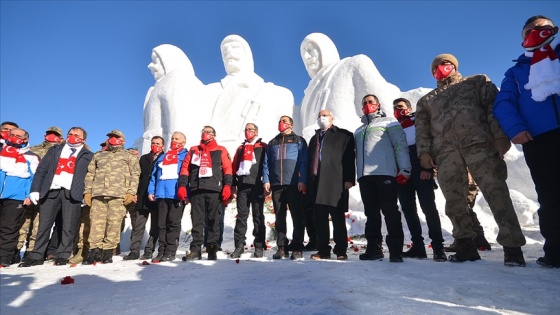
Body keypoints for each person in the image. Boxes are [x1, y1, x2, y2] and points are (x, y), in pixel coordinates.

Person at [415, 53, 527, 266]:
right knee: (455, 201)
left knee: (496, 193)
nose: (441, 67)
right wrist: (425, 153)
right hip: (446, 154)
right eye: (437, 66)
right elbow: (423, 130)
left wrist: (500, 136)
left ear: (455, 66)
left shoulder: (476, 82)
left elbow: (493, 108)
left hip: (480, 146)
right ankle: (466, 245)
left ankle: (512, 248)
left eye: (446, 63)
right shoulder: (427, 101)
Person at [493, 15, 560, 268]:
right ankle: (556, 252)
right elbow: (504, 103)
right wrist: (516, 129)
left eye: (542, 28)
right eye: (530, 30)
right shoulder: (517, 71)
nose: (536, 31)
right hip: (539, 139)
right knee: (551, 197)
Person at [299, 33, 428, 140]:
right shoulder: (307, 95)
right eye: (304, 53)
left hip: (350, 144)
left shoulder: (353, 64)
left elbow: (386, 105)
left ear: (324, 50)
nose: (306, 57)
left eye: (311, 50)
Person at [206, 34, 294, 155]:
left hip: (256, 154)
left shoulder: (276, 92)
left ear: (247, 55)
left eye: (234, 47)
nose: (228, 52)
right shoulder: (210, 90)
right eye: (225, 51)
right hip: (215, 157)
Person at [20, 127, 93, 267]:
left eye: (76, 135)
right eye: (70, 134)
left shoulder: (88, 155)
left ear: (83, 139)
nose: (72, 137)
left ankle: (63, 255)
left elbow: (90, 176)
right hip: (51, 190)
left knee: (68, 226)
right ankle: (36, 255)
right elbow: (42, 170)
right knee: (44, 225)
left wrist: (86, 194)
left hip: (72, 193)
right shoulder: (55, 150)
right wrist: (35, 190)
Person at [355, 95, 411, 263]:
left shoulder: (389, 123)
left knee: (390, 211)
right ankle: (374, 249)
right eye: (364, 102)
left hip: (385, 173)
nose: (367, 105)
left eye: (370, 102)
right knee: (371, 214)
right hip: (365, 177)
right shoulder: (359, 129)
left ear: (378, 105)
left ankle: (395, 251)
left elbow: (400, 145)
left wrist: (405, 169)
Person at [392, 98, 447, 262]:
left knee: (428, 208)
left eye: (401, 107)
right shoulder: (394, 127)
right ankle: (418, 247)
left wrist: (427, 167)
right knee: (408, 210)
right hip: (402, 170)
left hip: (420, 165)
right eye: (395, 108)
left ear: (409, 108)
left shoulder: (419, 121)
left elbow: (429, 143)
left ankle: (438, 248)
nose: (398, 110)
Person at [82, 130, 140, 265]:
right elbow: (90, 174)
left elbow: (135, 175)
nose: (113, 140)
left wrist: (131, 192)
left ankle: (108, 252)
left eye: (116, 137)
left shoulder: (129, 157)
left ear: (123, 140)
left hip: (118, 195)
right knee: (96, 223)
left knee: (113, 224)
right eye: (111, 137)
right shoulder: (98, 155)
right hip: (98, 194)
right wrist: (88, 192)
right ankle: (95, 251)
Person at [306, 110, 355, 261]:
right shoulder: (315, 138)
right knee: (320, 219)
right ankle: (323, 250)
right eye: (320, 116)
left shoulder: (343, 135)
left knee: (337, 218)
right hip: (317, 183)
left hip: (335, 181)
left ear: (332, 118)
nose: (322, 118)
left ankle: (341, 250)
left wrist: (349, 178)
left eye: (325, 115)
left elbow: (349, 158)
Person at [178, 126, 232, 261]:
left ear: (214, 135)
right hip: (197, 188)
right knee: (197, 221)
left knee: (213, 220)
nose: (205, 134)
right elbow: (185, 168)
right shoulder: (194, 150)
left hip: (214, 189)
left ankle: (212, 248)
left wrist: (227, 186)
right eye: (203, 131)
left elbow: (227, 168)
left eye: (208, 132)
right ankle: (195, 249)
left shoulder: (221, 150)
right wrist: (183, 186)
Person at [15, 126, 64, 263]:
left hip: (48, 191)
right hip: (29, 190)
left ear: (60, 137)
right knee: (23, 222)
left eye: (55, 134)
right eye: (49, 134)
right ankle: (16, 250)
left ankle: (32, 251)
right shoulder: (34, 150)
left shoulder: (62, 150)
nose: (51, 136)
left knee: (39, 224)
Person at [142, 44, 204, 152]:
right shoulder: (155, 88)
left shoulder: (176, 78)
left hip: (166, 151)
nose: (150, 65)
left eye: (155, 61)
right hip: (150, 152)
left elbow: (176, 121)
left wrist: (171, 153)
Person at [263, 115, 308, 260]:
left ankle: (297, 247)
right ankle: (282, 247)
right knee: (279, 217)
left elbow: (304, 161)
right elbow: (266, 163)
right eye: (280, 121)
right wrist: (267, 180)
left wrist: (302, 179)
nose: (281, 123)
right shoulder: (272, 142)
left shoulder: (299, 141)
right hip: (277, 185)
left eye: (284, 121)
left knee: (297, 217)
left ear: (291, 125)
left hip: (294, 184)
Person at [0, 128, 40, 267]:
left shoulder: (31, 157)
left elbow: (35, 178)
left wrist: (30, 194)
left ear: (25, 139)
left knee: (8, 227)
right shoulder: (1, 151)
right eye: (12, 135)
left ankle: (4, 257)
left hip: (16, 197)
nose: (14, 137)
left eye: (19, 136)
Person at [147, 132, 188, 262]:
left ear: (183, 142)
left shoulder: (186, 156)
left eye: (177, 139)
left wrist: (187, 193)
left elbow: (188, 176)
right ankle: (161, 251)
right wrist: (151, 190)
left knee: (173, 224)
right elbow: (154, 175)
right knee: (161, 224)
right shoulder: (163, 157)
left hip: (176, 194)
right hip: (161, 194)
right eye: (172, 138)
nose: (174, 141)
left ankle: (170, 251)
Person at [123, 136, 164, 261]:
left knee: (155, 226)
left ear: (162, 146)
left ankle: (148, 251)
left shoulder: (165, 158)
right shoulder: (144, 158)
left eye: (157, 143)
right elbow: (138, 177)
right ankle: (134, 251)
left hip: (157, 196)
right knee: (138, 225)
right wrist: (135, 192)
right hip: (142, 196)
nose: (155, 145)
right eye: (153, 143)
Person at [230, 123, 267, 258]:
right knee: (241, 216)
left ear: (256, 132)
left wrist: (266, 183)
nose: (247, 131)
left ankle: (259, 245)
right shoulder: (241, 148)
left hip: (257, 185)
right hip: (242, 186)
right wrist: (233, 185)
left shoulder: (263, 147)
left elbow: (266, 164)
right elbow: (234, 166)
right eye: (245, 129)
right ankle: (239, 245)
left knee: (258, 216)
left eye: (250, 129)